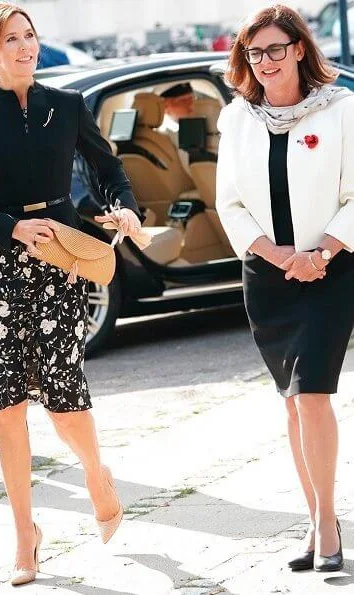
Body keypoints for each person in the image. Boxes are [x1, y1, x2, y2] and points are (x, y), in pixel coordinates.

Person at [0, 2, 143, 586]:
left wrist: (124, 207)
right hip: (0, 271)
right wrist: (10, 228)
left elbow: (110, 171)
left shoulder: (67, 105)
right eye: (12, 40)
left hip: (60, 261)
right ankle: (24, 537)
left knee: (63, 397)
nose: (25, 47)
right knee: (5, 403)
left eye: (30, 37)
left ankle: (95, 473)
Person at [216, 4, 353, 574]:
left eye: (275, 49)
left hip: (331, 271)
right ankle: (319, 515)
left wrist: (319, 252)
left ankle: (326, 527)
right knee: (292, 401)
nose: (265, 62)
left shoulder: (343, 110)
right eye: (254, 52)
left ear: (299, 48)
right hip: (267, 277)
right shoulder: (238, 119)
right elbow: (230, 203)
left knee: (314, 392)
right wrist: (278, 256)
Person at [159, 82, 195, 173]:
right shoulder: (170, 134)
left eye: (192, 98)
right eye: (183, 101)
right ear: (165, 106)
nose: (191, 105)